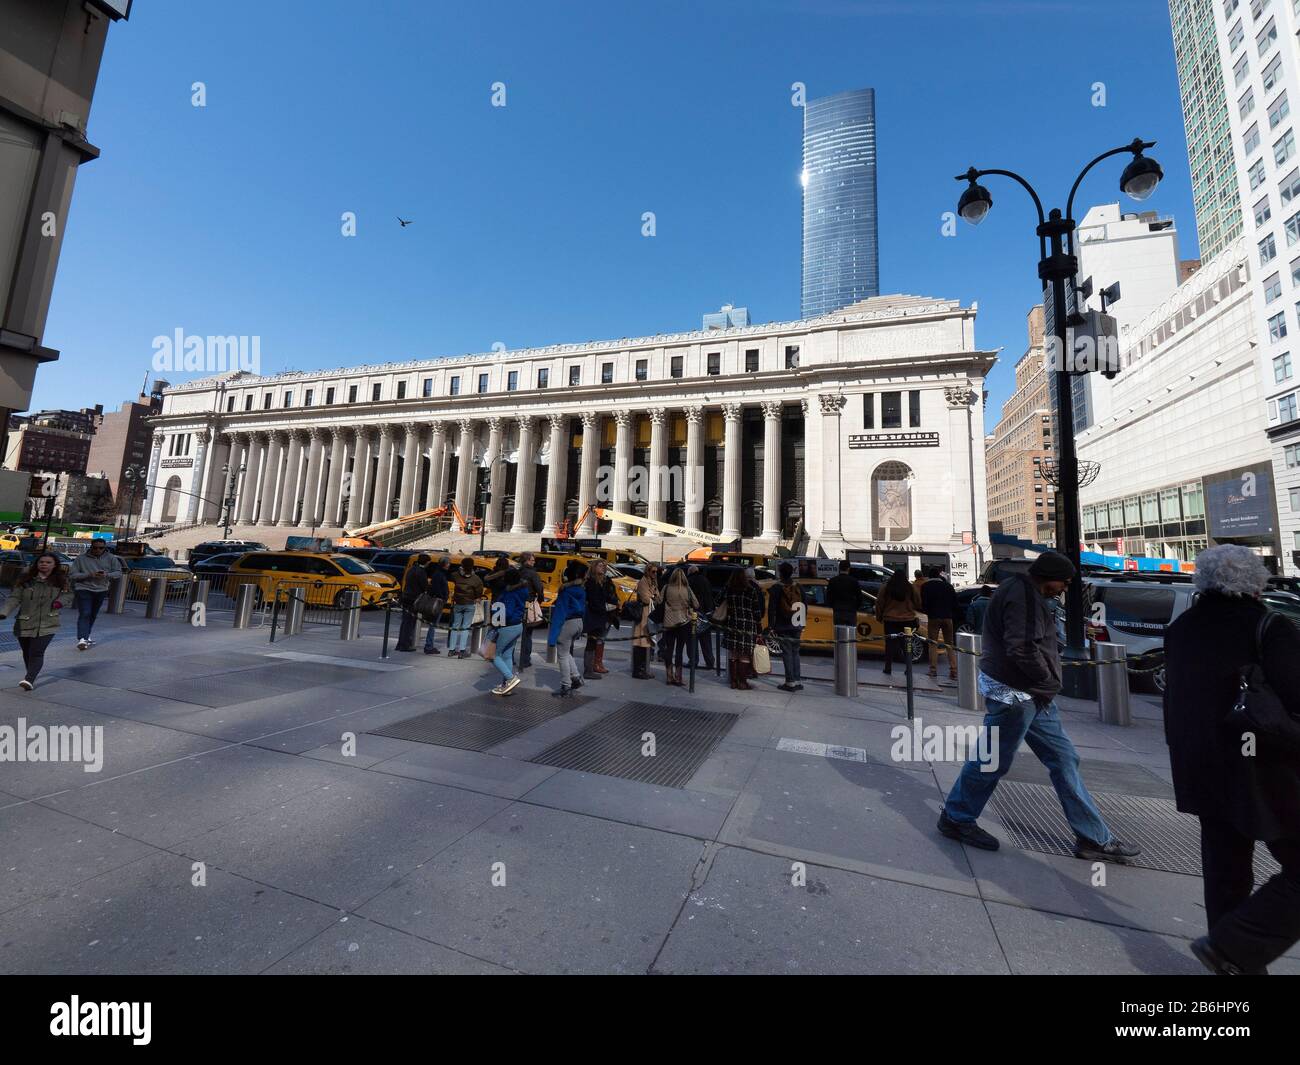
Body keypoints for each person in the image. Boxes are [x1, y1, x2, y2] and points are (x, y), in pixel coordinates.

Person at [937, 550, 1141, 863]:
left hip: (1028, 694)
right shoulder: (1025, 598)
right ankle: (957, 817)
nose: (1065, 587)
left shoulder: (1018, 590)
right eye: (1064, 581)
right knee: (992, 760)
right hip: (1017, 694)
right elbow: (1021, 647)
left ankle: (1092, 837)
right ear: (1047, 577)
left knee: (1063, 758)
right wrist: (1047, 680)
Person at [1163, 545, 1300, 975]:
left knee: (1225, 867)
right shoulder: (1269, 626)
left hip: (1203, 766)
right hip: (1264, 767)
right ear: (1256, 581)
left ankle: (1231, 958)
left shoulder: (1184, 626)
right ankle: (1234, 947)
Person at [0, 551, 68, 690]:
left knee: (37, 652)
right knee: (27, 652)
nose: (44, 564)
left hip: (48, 623)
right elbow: (14, 598)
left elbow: (70, 594)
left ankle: (29, 679)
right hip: (25, 622)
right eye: (41, 562)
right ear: (37, 564)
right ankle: (31, 673)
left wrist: (59, 602)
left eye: (48, 562)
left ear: (54, 565)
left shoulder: (61, 581)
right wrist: (4, 612)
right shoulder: (26, 580)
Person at [68, 538, 123, 650]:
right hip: (83, 588)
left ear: (105, 548)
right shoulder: (81, 558)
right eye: (95, 547)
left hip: (101, 589)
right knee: (85, 612)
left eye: (101, 548)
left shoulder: (111, 558)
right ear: (91, 547)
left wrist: (106, 575)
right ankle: (82, 638)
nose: (98, 550)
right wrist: (89, 575)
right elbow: (73, 575)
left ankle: (86, 636)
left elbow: (118, 572)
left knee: (93, 614)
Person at [483, 568, 528, 695]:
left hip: (506, 626)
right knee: (507, 655)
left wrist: (494, 614)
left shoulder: (510, 593)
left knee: (492, 655)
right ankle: (507, 686)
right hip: (517, 625)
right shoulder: (522, 590)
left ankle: (510, 678)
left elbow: (506, 612)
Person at [547, 561, 588, 698]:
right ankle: (575, 677)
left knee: (562, 655)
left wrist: (552, 638)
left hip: (568, 623)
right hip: (579, 622)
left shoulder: (566, 592)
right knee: (566, 651)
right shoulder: (581, 590)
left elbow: (559, 614)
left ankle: (566, 684)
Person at [721, 568, 764, 691]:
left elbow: (718, 601)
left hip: (732, 624)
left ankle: (733, 681)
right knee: (744, 655)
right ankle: (742, 682)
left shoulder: (729, 590)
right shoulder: (751, 590)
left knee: (733, 653)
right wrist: (759, 630)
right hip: (747, 626)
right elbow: (756, 611)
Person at [873, 567, 921, 675]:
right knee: (906, 646)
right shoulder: (910, 587)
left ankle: (888, 668)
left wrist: (879, 617)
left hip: (890, 620)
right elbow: (918, 602)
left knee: (889, 645)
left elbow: (879, 603)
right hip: (908, 620)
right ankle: (908, 669)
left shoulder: (886, 587)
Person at [767, 562, 805, 692]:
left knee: (787, 653)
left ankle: (790, 682)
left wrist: (771, 626)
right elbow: (804, 605)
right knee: (795, 652)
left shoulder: (776, 588)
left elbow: (772, 609)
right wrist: (802, 624)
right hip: (797, 624)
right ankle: (798, 680)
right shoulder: (798, 586)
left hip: (783, 625)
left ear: (780, 572)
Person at [660, 567, 699, 687]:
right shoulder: (687, 589)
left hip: (669, 622)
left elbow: (659, 601)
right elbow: (696, 604)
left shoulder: (666, 588)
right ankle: (678, 677)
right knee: (679, 650)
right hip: (683, 622)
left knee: (669, 649)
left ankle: (669, 676)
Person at [921, 566, 959, 680]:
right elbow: (955, 603)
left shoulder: (926, 586)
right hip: (948, 617)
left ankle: (933, 670)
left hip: (933, 618)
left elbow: (924, 604)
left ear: (929, 576)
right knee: (949, 644)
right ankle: (953, 670)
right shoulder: (948, 586)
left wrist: (928, 612)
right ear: (939, 575)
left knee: (933, 643)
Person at [582, 559, 617, 679]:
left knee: (599, 640)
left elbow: (611, 595)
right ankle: (588, 669)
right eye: (600, 565)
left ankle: (594, 666)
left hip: (604, 615)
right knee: (592, 642)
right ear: (594, 567)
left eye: (604, 566)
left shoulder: (606, 581)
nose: (603, 567)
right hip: (594, 616)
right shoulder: (591, 582)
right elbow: (593, 601)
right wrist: (605, 608)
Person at [448, 557, 484, 659]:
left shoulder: (456, 576)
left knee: (455, 626)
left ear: (462, 565)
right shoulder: (476, 579)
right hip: (469, 604)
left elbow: (452, 576)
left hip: (458, 603)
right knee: (465, 627)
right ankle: (462, 650)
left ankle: (451, 649)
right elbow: (479, 592)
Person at [395, 553, 431, 652]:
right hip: (413, 599)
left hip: (405, 597)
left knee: (405, 622)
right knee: (410, 623)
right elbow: (424, 586)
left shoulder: (411, 569)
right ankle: (406, 644)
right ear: (426, 562)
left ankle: (400, 643)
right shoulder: (421, 572)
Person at [516, 552, 545, 670]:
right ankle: (525, 660)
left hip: (517, 604)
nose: (534, 562)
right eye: (532, 560)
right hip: (529, 603)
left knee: (515, 633)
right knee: (528, 634)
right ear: (526, 561)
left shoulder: (517, 572)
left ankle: (511, 658)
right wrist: (540, 599)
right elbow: (539, 589)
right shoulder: (533, 574)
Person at [632, 563, 660, 680]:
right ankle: (638, 670)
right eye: (653, 571)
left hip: (649, 616)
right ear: (647, 571)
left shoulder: (653, 583)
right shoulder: (643, 582)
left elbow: (658, 598)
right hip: (643, 617)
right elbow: (646, 599)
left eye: (656, 572)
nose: (655, 574)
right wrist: (653, 595)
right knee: (640, 644)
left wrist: (653, 595)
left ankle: (644, 669)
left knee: (646, 645)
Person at [686, 564, 716, 671]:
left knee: (692, 640)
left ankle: (693, 661)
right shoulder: (705, 580)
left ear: (690, 572)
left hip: (693, 614)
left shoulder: (689, 581)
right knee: (706, 641)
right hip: (705, 614)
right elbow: (709, 597)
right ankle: (710, 662)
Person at [422, 556, 450, 654]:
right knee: (433, 624)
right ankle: (429, 646)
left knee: (433, 624)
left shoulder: (438, 573)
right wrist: (443, 598)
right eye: (448, 563)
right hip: (437, 601)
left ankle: (429, 645)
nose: (449, 565)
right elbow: (437, 588)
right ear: (444, 564)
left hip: (438, 600)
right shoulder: (439, 575)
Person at [826, 559, 861, 628]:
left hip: (837, 610)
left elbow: (828, 597)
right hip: (850, 611)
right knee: (851, 633)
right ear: (848, 568)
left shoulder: (833, 581)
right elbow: (859, 597)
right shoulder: (854, 581)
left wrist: (833, 606)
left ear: (839, 568)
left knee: (839, 633)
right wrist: (855, 607)